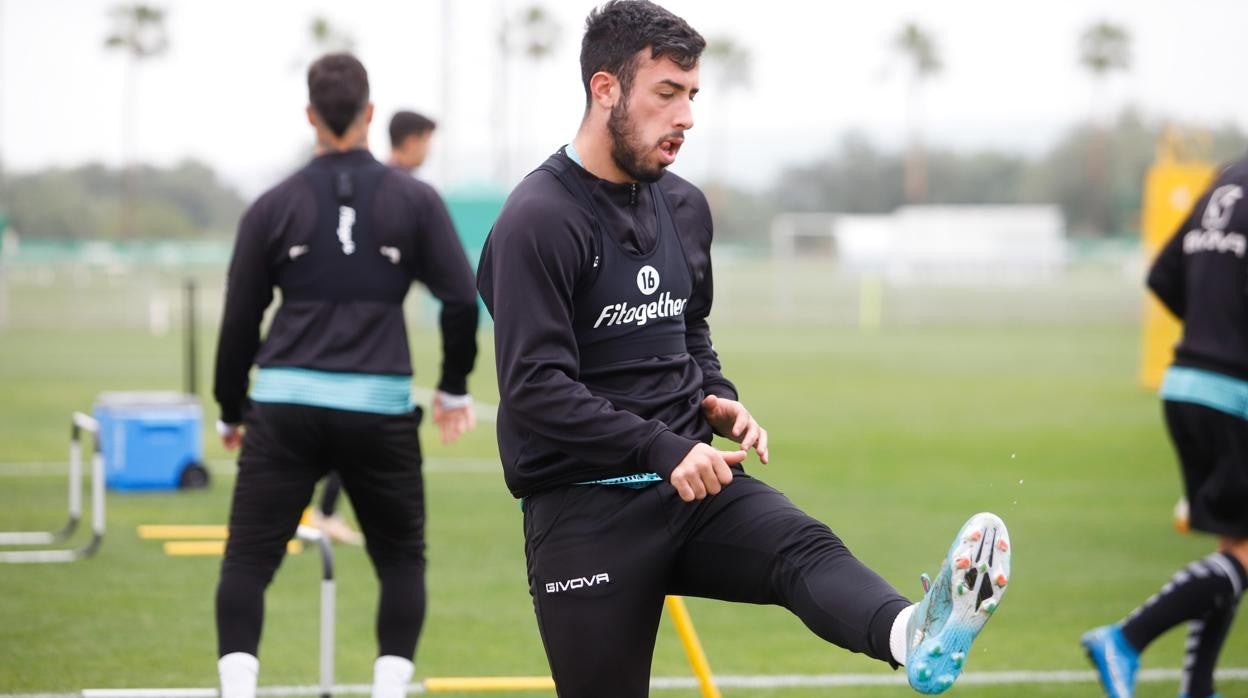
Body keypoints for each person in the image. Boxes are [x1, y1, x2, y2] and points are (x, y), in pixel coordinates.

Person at [475, 2, 1012, 696]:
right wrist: (661, 447)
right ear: (605, 89)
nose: (686, 117)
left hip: (695, 486)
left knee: (803, 547)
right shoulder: (538, 219)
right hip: (585, 511)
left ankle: (915, 635)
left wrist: (716, 395)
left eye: (692, 95)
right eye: (667, 93)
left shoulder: (684, 207)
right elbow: (535, 388)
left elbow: (689, 328)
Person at [212, 53, 479, 698]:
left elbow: (240, 318)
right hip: (379, 409)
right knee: (401, 561)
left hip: (283, 408)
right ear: (369, 113)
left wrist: (229, 409)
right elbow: (462, 300)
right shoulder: (415, 199)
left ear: (310, 115)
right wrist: (452, 387)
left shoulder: (272, 204)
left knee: (248, 561)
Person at [1082, 155, 1248, 698]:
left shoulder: (1229, 175)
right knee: (1243, 555)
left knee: (1235, 542)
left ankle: (1197, 687)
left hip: (1185, 383)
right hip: (1233, 393)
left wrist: (1210, 330)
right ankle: (1126, 638)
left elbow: (1162, 274)